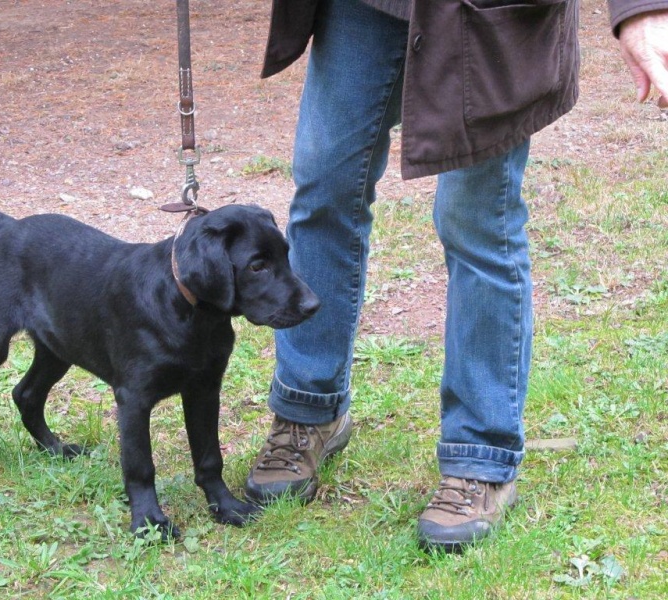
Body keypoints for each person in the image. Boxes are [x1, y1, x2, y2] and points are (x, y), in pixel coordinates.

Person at [243, 0, 668, 553]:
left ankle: (481, 456)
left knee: (476, 221)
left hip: (489, 13)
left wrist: (642, 8)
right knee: (324, 185)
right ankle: (307, 409)